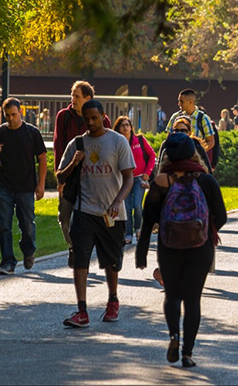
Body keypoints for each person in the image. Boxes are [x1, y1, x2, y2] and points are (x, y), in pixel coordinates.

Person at [136, 133, 226, 368]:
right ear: (193, 153)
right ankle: (187, 353)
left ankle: (174, 336)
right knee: (193, 300)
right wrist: (207, 228)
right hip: (201, 247)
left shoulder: (161, 182)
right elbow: (223, 216)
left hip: (170, 247)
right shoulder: (205, 181)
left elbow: (148, 220)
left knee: (173, 296)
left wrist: (141, 252)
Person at [56, 100, 136, 328]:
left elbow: (129, 177)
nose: (90, 123)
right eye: (86, 119)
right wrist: (74, 162)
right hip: (84, 211)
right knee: (80, 260)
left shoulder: (117, 141)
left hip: (112, 214)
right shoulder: (77, 144)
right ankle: (82, 311)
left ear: (103, 116)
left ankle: (112, 300)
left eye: (94, 118)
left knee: (112, 262)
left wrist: (118, 201)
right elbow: (61, 177)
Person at [0, 97, 48, 275]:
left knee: (27, 225)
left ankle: (28, 250)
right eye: (7, 115)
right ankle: (8, 262)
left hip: (26, 186)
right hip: (4, 185)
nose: (11, 118)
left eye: (14, 114)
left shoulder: (31, 133)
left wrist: (41, 185)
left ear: (21, 112)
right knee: (3, 225)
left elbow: (42, 157)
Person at [53, 81, 111, 263]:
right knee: (64, 216)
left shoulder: (103, 119)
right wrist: (60, 177)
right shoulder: (63, 116)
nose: (73, 99)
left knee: (92, 216)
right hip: (69, 175)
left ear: (88, 98)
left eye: (77, 96)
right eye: (72, 95)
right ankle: (73, 245)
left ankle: (84, 247)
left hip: (93, 177)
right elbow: (58, 147)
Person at [113, 115, 156, 245]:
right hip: (124, 180)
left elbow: (152, 155)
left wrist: (147, 173)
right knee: (126, 208)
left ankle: (138, 228)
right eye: (123, 125)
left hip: (139, 179)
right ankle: (128, 234)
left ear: (131, 127)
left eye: (128, 125)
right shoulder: (117, 142)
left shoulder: (140, 140)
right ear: (118, 129)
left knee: (137, 205)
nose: (126, 127)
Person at [167, 89, 216, 162]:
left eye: (181, 101)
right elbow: (168, 137)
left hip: (197, 161)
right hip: (177, 160)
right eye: (179, 101)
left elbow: (211, 141)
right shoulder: (175, 117)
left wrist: (199, 152)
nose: (179, 104)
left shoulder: (203, 118)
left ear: (190, 102)